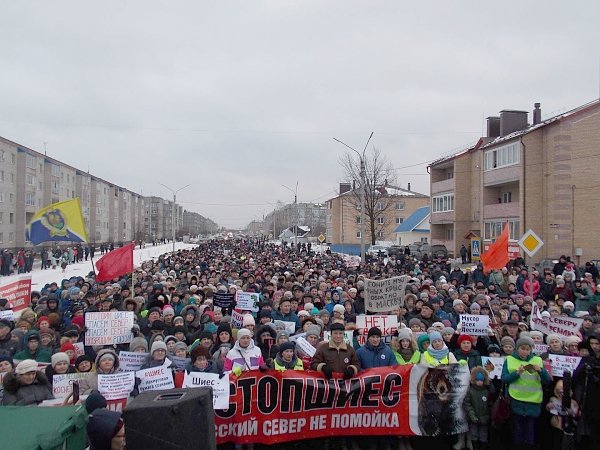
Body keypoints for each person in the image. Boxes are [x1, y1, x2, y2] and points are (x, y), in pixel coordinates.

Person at [501, 336, 551, 448]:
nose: (525, 351)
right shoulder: (509, 360)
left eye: (527, 349)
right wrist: (516, 374)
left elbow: (547, 381)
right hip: (516, 399)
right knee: (517, 429)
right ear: (517, 348)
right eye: (522, 348)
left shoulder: (537, 360)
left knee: (530, 431)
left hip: (533, 400)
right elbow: (504, 379)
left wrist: (541, 371)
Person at [464, 366, 494, 450]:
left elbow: (489, 406)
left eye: (481, 380)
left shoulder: (486, 391)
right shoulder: (470, 391)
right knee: (474, 435)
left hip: (484, 419)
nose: (480, 382)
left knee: (483, 435)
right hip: (474, 419)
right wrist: (472, 416)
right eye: (477, 380)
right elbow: (467, 404)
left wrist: (487, 417)